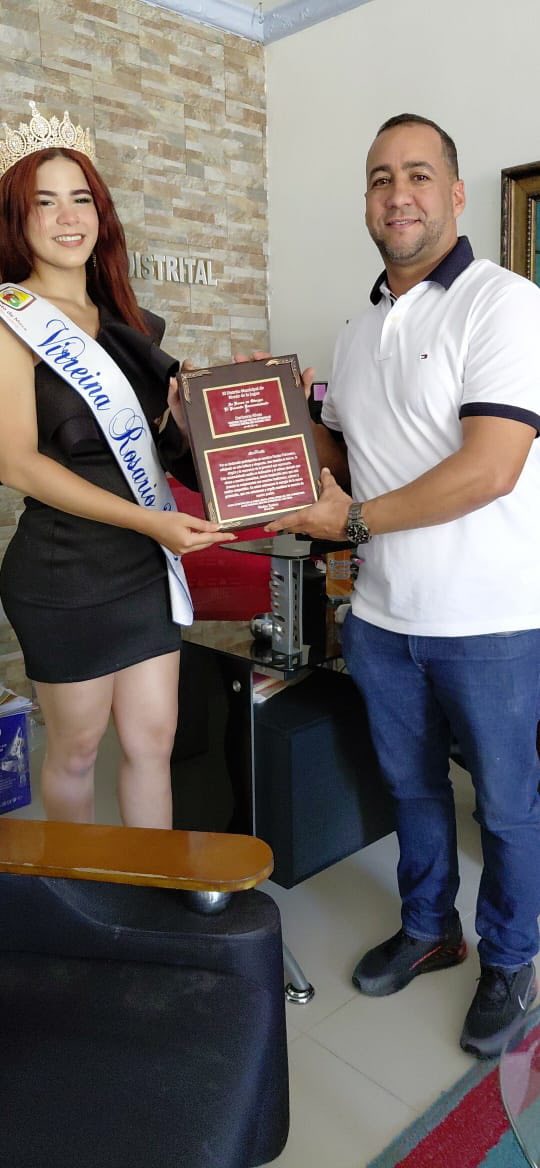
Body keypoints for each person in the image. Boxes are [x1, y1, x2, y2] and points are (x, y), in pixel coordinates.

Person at [266, 113, 540, 1058]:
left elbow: (490, 468)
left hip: (493, 618)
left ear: (455, 194)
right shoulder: (359, 329)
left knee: (506, 807)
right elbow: (348, 463)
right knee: (412, 790)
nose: (399, 194)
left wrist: (351, 523)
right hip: (382, 616)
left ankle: (512, 959)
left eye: (419, 175)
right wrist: (277, 418)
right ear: (367, 202)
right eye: (381, 178)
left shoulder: (506, 304)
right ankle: (430, 929)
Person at [0, 102, 234, 829]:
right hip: (65, 571)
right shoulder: (10, 319)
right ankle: (81, 893)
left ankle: (148, 889)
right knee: (76, 751)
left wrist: (226, 412)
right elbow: (17, 464)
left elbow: (158, 446)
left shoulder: (123, 321)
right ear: (17, 218)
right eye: (45, 202)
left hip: (142, 565)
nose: (68, 217)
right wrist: (151, 522)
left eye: (81, 199)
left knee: (153, 743)